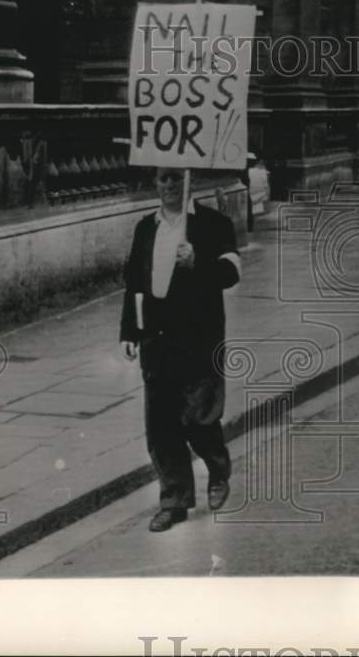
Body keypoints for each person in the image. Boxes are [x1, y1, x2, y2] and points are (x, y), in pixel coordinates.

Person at [119, 167, 241, 532]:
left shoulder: (212, 223)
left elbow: (231, 272)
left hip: (198, 337)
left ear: (190, 181)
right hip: (157, 337)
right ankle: (174, 501)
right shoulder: (145, 228)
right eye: (162, 179)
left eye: (175, 177)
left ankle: (218, 470)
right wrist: (129, 330)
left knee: (198, 417)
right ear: (154, 184)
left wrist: (198, 262)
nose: (169, 185)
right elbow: (134, 285)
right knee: (161, 425)